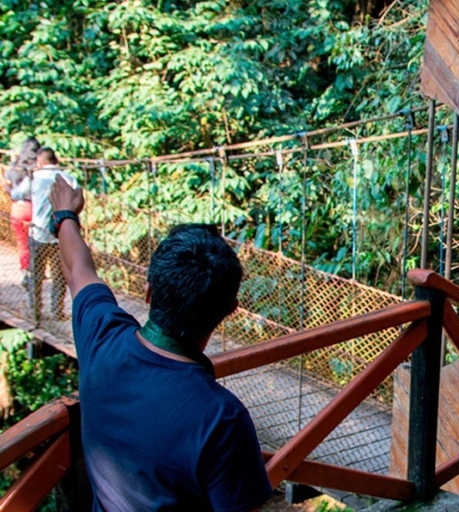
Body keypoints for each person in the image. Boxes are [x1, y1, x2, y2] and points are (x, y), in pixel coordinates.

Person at [48, 175, 272, 511]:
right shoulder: (222, 419)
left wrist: (64, 215)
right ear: (229, 311)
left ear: (149, 291)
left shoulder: (101, 338)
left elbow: (77, 269)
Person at [27, 148, 77, 322]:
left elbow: (18, 194)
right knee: (59, 276)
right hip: (60, 235)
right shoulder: (68, 178)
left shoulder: (34, 178)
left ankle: (35, 310)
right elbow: (77, 197)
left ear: (40, 162)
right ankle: (57, 311)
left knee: (36, 274)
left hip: (38, 233)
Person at [2, 137, 40, 284]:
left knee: (22, 243)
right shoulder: (39, 166)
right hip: (35, 208)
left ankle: (26, 271)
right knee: (37, 243)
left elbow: (9, 185)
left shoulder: (15, 167)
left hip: (19, 208)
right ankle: (36, 271)